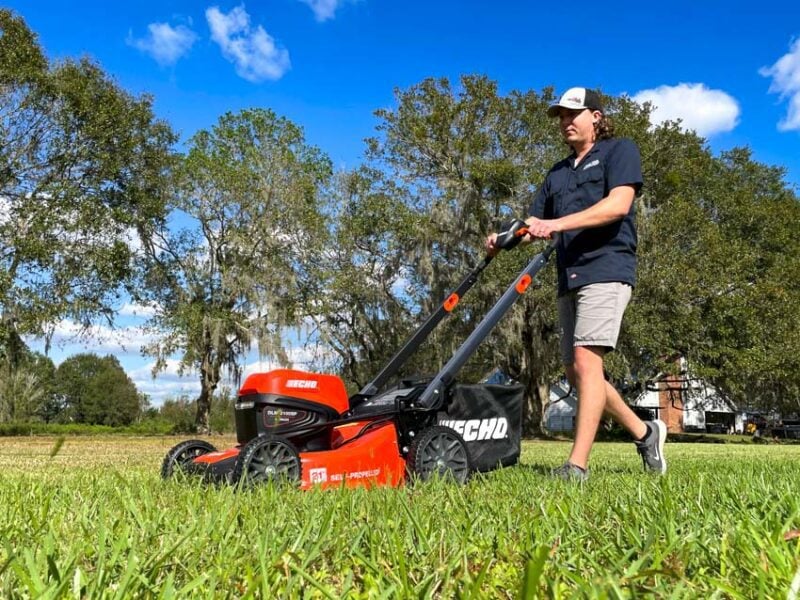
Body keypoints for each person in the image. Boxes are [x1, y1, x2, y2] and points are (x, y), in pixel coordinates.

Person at [486, 87, 667, 481]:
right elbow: (534, 222)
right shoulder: (558, 172)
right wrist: (505, 237)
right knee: (577, 371)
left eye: (574, 114)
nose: (566, 122)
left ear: (596, 117)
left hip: (607, 266)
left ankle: (576, 467)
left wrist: (556, 225)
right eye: (561, 117)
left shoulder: (619, 151)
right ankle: (644, 432)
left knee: (587, 361)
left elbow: (618, 205)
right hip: (570, 275)